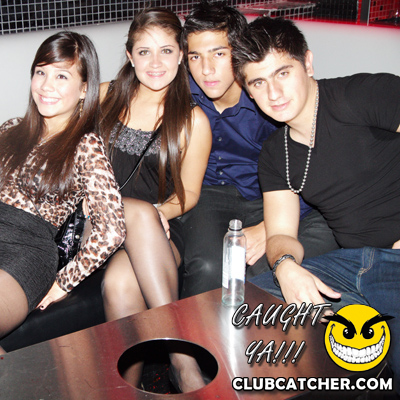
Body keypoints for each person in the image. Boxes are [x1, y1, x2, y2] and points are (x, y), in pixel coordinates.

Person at [0, 31, 125, 393]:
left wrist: (63, 282)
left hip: (25, 249)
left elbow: (112, 228)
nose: (46, 85)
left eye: (61, 76)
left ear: (84, 88)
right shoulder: (10, 129)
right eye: (40, 72)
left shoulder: (86, 144)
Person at [233, 17, 400, 392]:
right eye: (258, 82)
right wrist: (286, 266)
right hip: (352, 265)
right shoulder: (275, 153)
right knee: (244, 306)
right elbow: (280, 233)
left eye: (282, 73)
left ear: (307, 63)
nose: (274, 93)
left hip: (395, 260)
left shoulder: (360, 95)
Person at [178, 1, 338, 298]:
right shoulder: (182, 90)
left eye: (219, 54)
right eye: (195, 56)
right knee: (208, 268)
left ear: (240, 53)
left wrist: (269, 228)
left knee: (260, 277)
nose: (206, 69)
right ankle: (195, 329)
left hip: (274, 197)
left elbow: (311, 168)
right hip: (210, 194)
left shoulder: (269, 98)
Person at [99, 8, 211, 393]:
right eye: (144, 52)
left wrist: (158, 213)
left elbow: (188, 193)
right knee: (135, 213)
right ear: (129, 56)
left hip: (157, 229)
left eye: (166, 51)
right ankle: (182, 359)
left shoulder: (193, 120)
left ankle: (123, 392)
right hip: (97, 222)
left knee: (120, 285)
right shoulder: (104, 97)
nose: (156, 62)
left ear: (181, 55)